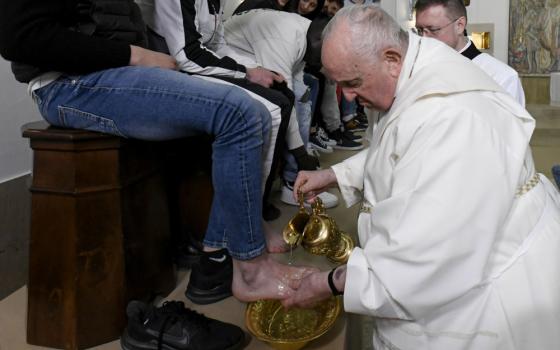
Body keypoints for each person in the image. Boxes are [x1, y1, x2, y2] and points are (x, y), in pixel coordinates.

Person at [0, 0, 315, 319]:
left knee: (257, 112)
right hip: (68, 83)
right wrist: (136, 55)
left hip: (110, 71)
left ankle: (215, 259)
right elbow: (20, 37)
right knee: (240, 113)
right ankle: (251, 269)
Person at [285, 5, 560, 350]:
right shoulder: (417, 67)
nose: (348, 96)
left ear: (391, 58)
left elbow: (425, 261)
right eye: (339, 84)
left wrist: (332, 282)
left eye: (352, 83)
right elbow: (402, 146)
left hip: (483, 286)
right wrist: (334, 173)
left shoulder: (452, 118)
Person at [136, 0, 320, 221]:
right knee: (272, 108)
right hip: (175, 65)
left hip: (197, 61)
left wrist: (255, 68)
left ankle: (259, 203)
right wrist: (246, 71)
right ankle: (251, 215)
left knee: (284, 94)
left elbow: (218, 44)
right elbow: (187, 54)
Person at [224, 10, 339, 208]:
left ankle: (298, 175)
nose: (321, 65)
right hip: (227, 59)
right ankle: (290, 183)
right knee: (281, 107)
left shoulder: (305, 34)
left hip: (249, 57)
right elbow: (285, 97)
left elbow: (296, 90)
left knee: (303, 100)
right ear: (319, 41)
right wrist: (301, 154)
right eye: (323, 59)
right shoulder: (284, 37)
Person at [414, 0, 526, 107]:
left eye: (432, 29)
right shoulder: (417, 70)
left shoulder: (502, 77)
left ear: (460, 25)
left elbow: (509, 126)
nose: (423, 38)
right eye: (419, 30)